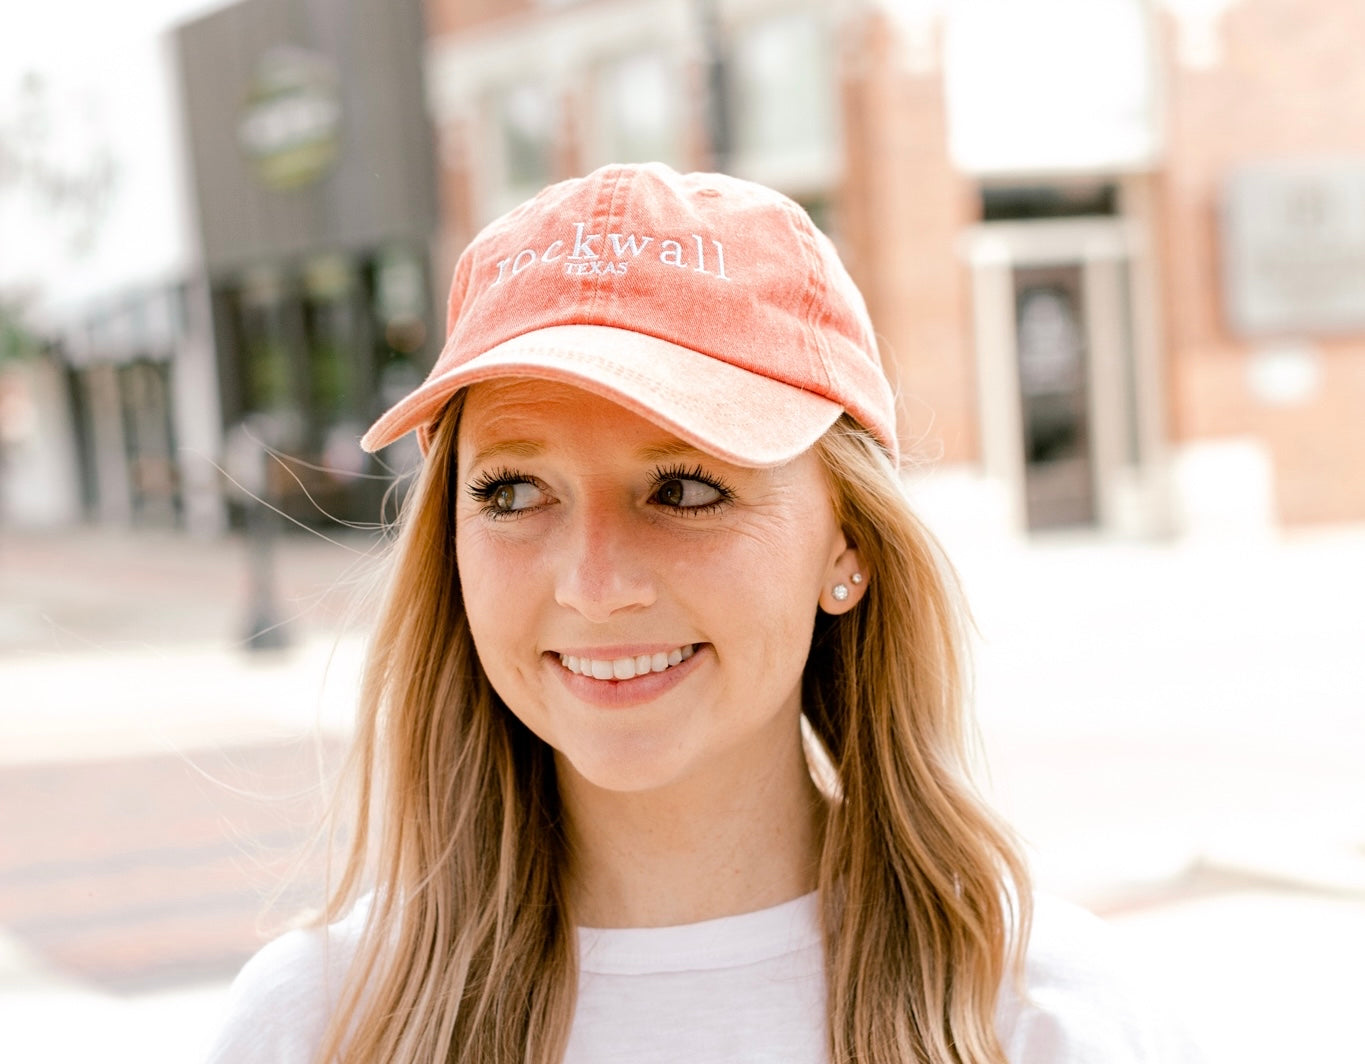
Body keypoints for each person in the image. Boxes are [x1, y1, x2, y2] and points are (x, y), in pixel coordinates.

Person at [205, 163, 1197, 1064]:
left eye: (684, 487)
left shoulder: (1050, 1018)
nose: (595, 584)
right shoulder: (318, 1024)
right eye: (512, 492)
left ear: (845, 541)